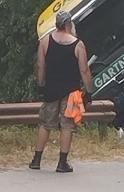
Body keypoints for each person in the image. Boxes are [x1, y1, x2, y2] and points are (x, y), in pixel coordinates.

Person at [30, 11, 93, 173]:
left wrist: (41, 84)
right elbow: (84, 70)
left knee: (45, 125)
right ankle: (62, 163)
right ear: (68, 24)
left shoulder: (45, 41)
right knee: (67, 126)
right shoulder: (78, 44)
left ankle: (36, 160)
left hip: (51, 89)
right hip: (72, 92)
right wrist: (89, 91)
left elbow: (40, 65)